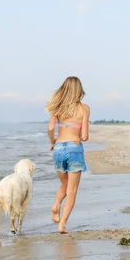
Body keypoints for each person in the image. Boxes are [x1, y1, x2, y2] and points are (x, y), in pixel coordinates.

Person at [46, 76, 90, 234]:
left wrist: (53, 141)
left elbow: (51, 128)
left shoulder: (57, 107)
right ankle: (62, 224)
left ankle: (56, 205)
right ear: (79, 90)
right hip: (74, 148)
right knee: (72, 190)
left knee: (64, 184)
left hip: (58, 148)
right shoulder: (84, 108)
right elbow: (84, 137)